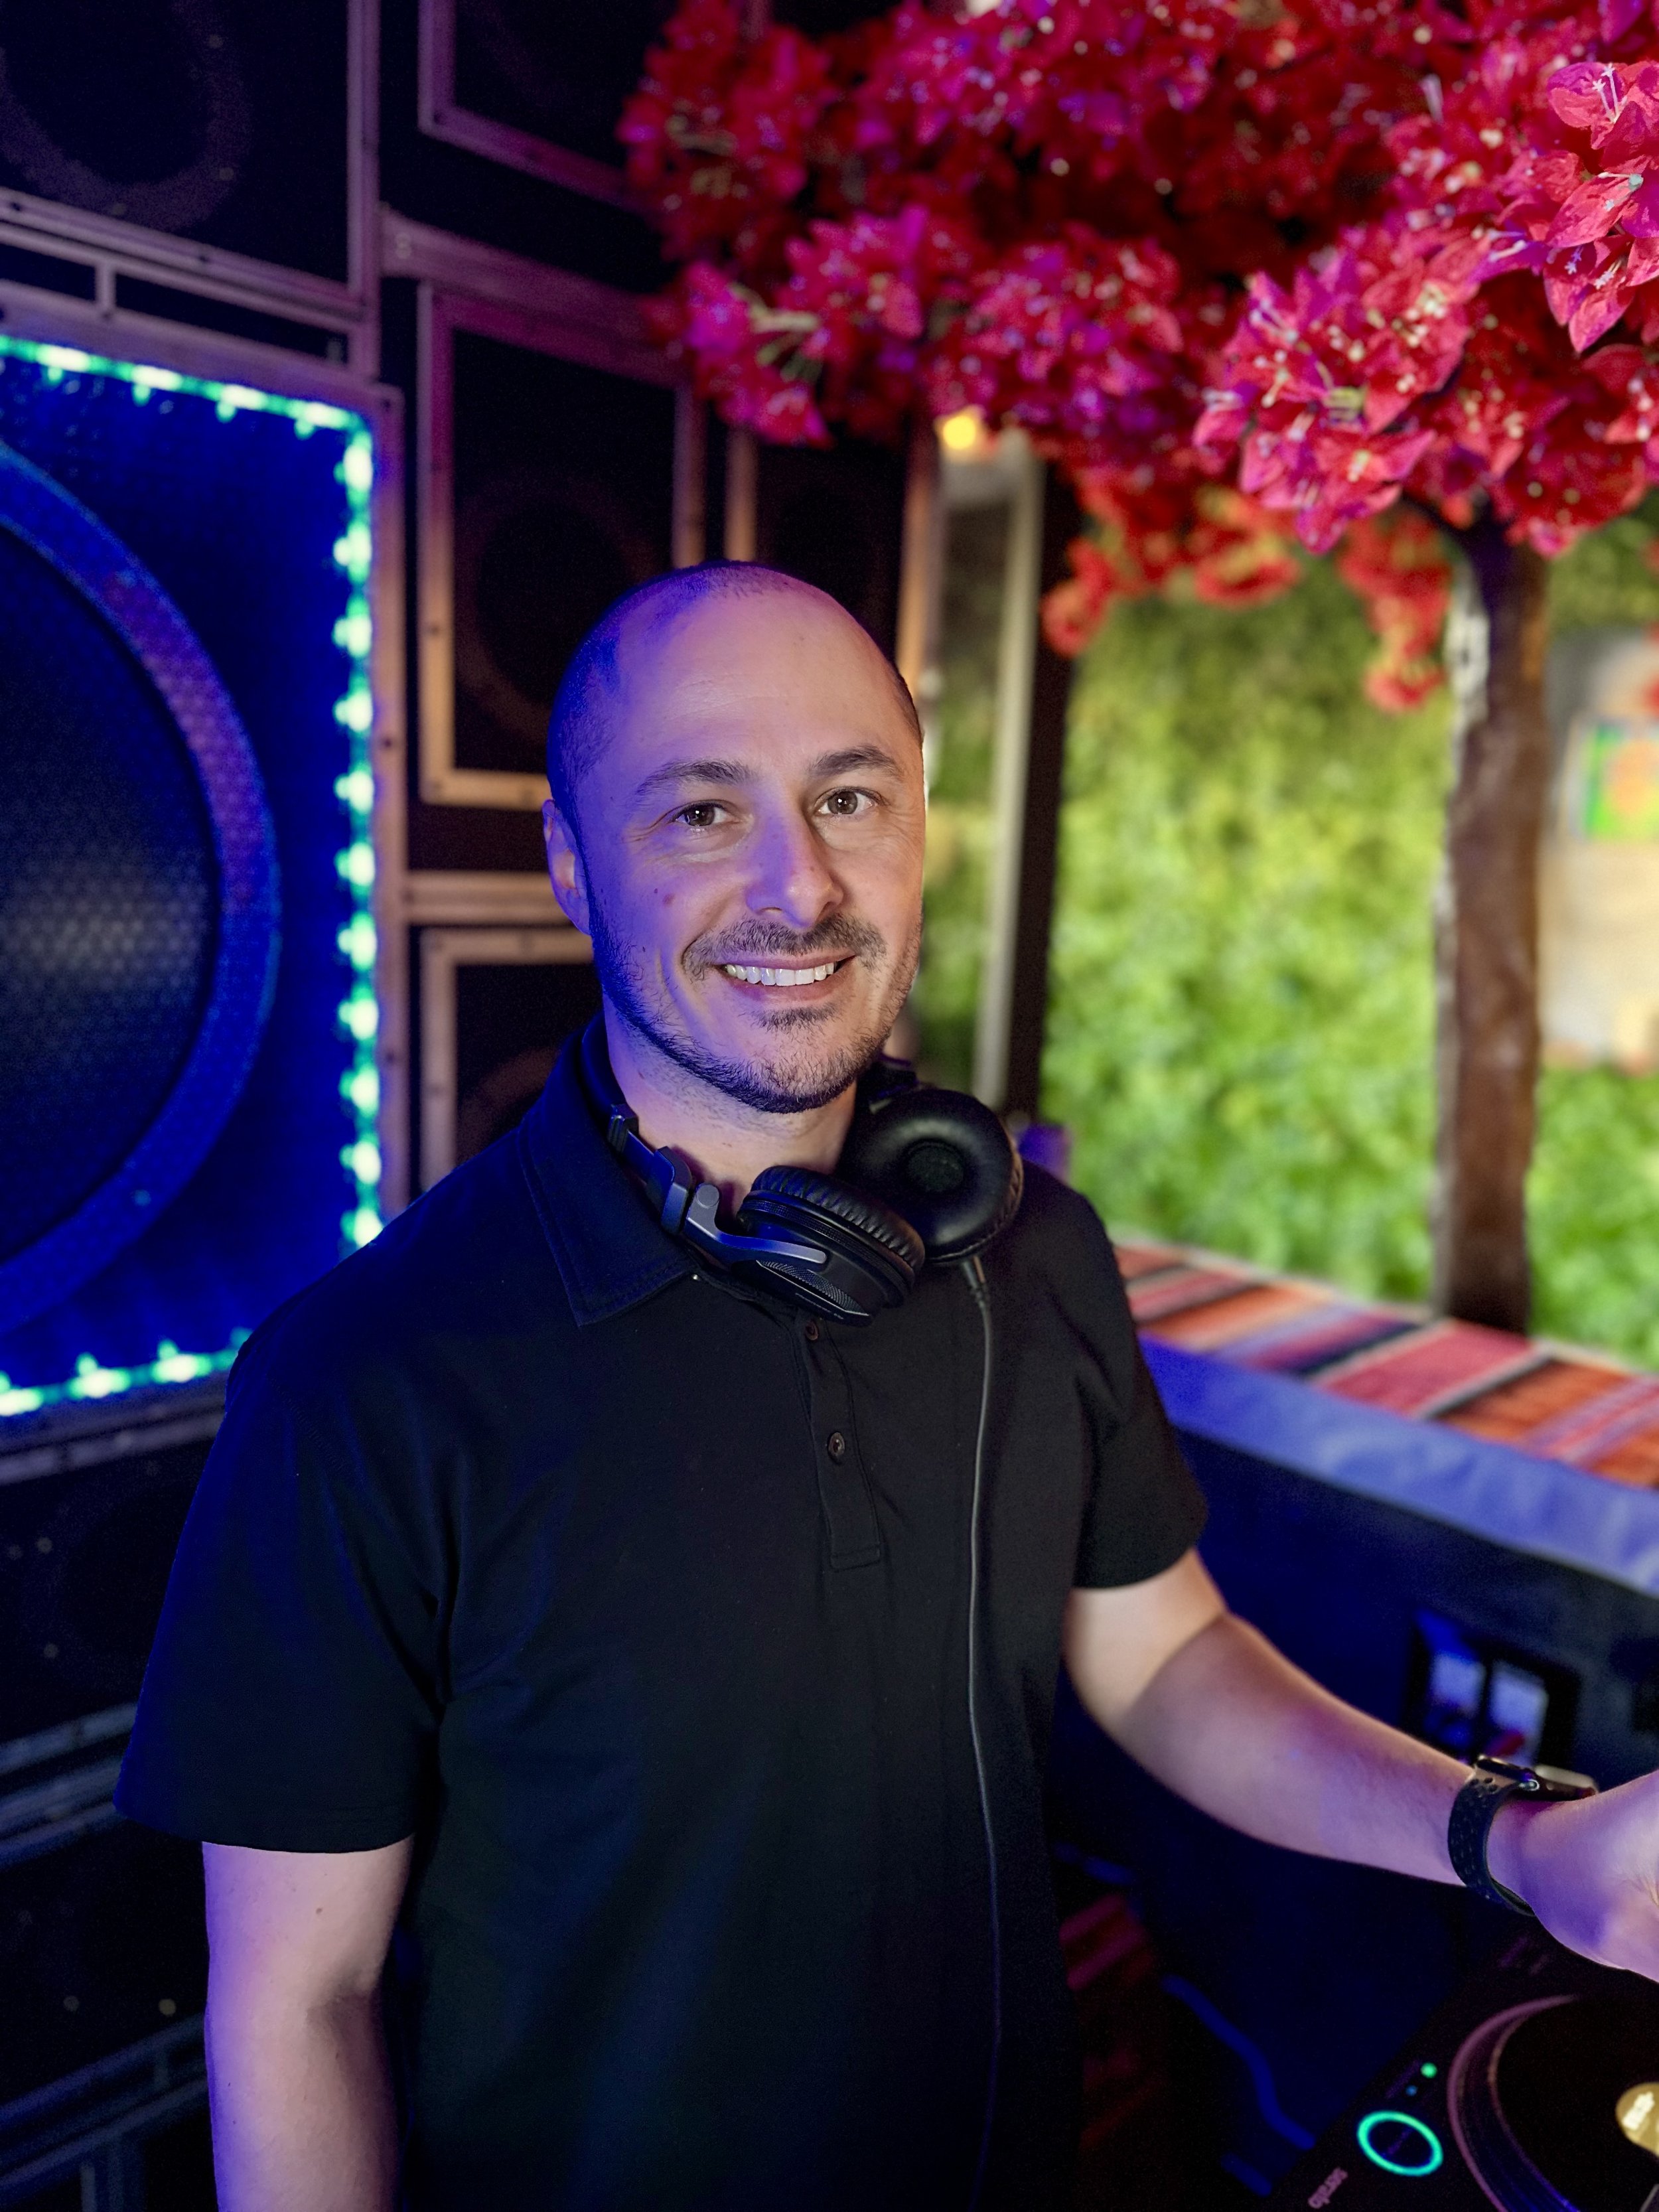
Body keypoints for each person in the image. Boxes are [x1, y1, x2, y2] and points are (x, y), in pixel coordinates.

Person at [119, 564, 1659, 2212]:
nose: (800, 882)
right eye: (701, 812)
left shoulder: (1026, 1249)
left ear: (920, 826)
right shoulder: (366, 1378)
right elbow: (298, 2001)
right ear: (571, 863)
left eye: (848, 795)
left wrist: (1510, 1839)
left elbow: (1168, 1657)